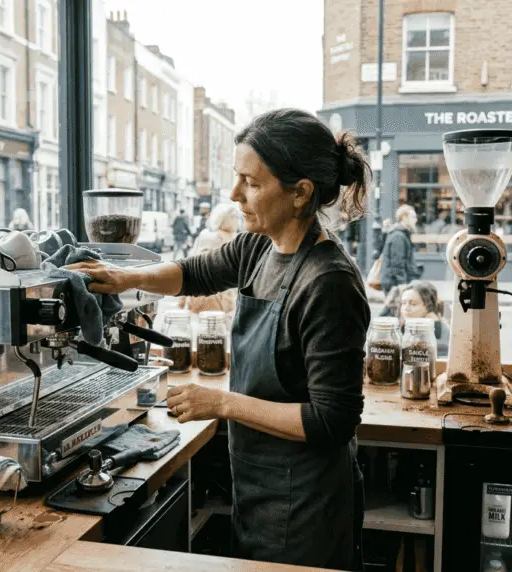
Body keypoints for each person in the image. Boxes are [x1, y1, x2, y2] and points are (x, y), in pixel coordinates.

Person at [70, 109, 370, 570]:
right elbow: (193, 274)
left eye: (250, 182)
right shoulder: (259, 247)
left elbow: (332, 420)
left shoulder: (328, 282)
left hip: (308, 502)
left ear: (300, 192)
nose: (234, 195)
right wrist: (123, 275)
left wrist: (223, 404)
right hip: (259, 484)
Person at [177, 202, 241, 317]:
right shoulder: (234, 240)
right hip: (219, 298)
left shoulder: (205, 236)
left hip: (198, 295)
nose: (238, 221)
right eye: (236, 218)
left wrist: (181, 303)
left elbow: (189, 268)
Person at [377, 204, 422, 305]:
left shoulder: (401, 234)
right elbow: (397, 263)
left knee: (396, 312)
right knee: (393, 311)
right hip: (394, 283)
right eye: (413, 217)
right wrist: (402, 285)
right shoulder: (398, 236)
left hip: (394, 281)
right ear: (404, 217)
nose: (416, 220)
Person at [395, 280, 450, 355]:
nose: (406, 308)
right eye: (403, 303)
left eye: (413, 304)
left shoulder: (441, 330)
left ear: (428, 307)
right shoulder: (397, 328)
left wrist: (436, 325)